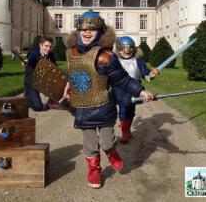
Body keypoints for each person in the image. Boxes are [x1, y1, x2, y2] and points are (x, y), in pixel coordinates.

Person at [63, 10, 154, 189]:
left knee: (107, 141)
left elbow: (122, 79)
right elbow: (73, 73)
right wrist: (67, 84)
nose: (87, 33)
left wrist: (141, 91)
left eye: (93, 29)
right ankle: (94, 170)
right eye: (84, 29)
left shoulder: (107, 57)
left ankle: (111, 152)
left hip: (103, 105)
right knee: (89, 144)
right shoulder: (70, 53)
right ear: (78, 31)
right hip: (82, 107)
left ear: (100, 32)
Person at [114, 36, 156, 143]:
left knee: (131, 111)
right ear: (119, 50)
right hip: (120, 90)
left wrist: (149, 75)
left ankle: (127, 128)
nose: (126, 53)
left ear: (132, 49)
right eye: (123, 50)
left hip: (135, 89)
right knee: (123, 111)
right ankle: (125, 133)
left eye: (129, 50)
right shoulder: (115, 61)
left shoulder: (138, 60)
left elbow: (144, 71)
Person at [23, 36, 58, 111]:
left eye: (50, 46)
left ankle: (51, 101)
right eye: (46, 46)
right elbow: (30, 59)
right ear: (40, 45)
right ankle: (27, 96)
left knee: (57, 79)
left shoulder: (51, 55)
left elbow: (55, 67)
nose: (48, 49)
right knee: (38, 107)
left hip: (43, 82)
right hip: (32, 83)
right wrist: (27, 62)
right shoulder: (33, 53)